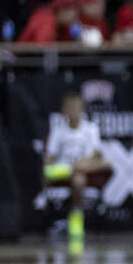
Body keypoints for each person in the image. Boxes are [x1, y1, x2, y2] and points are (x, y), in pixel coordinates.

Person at [43, 91, 109, 239]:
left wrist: (81, 164)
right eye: (69, 107)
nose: (73, 111)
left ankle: (76, 214)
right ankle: (73, 215)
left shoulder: (91, 128)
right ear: (63, 111)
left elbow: (95, 153)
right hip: (62, 168)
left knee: (81, 177)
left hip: (85, 166)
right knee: (77, 175)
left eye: (76, 107)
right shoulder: (58, 130)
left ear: (82, 109)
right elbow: (51, 156)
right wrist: (46, 170)